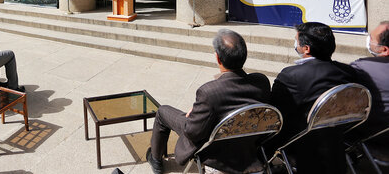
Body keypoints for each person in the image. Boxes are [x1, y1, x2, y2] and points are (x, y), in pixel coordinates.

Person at [146, 29, 270, 174]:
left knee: (162, 111)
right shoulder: (261, 82)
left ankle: (155, 160)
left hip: (215, 143)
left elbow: (192, 132)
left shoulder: (209, 92)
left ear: (218, 58)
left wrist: (193, 115)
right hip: (246, 139)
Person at [270, 22, 359, 174]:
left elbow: (276, 114)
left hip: (302, 140)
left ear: (306, 49)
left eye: (296, 40)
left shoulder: (290, 76)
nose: (295, 43)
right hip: (339, 135)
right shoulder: (348, 71)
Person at [349, 21, 389, 137]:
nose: (368, 41)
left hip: (377, 133)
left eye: (371, 38)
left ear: (384, 50)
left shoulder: (362, 67)